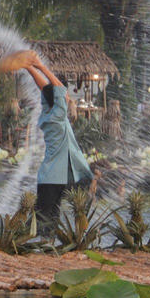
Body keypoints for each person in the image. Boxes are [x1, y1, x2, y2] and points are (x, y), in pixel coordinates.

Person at [24, 52, 94, 227]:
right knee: (43, 219)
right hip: (54, 177)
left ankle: (39, 246)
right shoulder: (58, 116)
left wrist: (28, 68)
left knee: (45, 216)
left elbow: (47, 89)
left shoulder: (47, 113)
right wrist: (40, 66)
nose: (68, 98)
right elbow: (59, 90)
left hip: (49, 176)